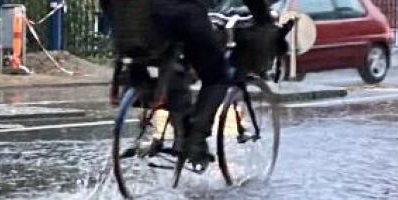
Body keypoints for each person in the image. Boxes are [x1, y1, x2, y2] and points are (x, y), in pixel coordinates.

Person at [111, 0, 280, 166]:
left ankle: (180, 130)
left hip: (134, 26)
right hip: (182, 14)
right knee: (217, 76)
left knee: (173, 64)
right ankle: (196, 141)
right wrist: (264, 19)